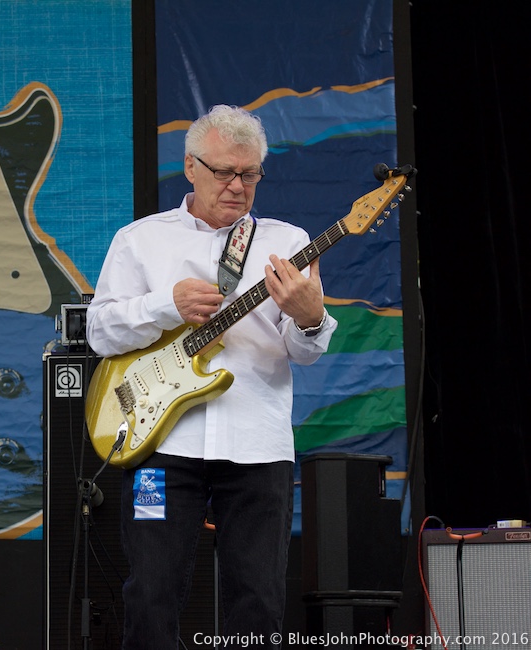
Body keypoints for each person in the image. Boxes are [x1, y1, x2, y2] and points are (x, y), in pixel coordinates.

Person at [86, 104, 337, 648]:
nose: (237, 186)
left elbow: (306, 353)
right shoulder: (140, 240)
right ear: (191, 166)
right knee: (149, 595)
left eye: (249, 174)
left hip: (257, 450)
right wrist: (165, 305)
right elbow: (101, 333)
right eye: (224, 171)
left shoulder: (286, 241)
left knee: (259, 601)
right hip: (160, 446)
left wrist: (310, 316)